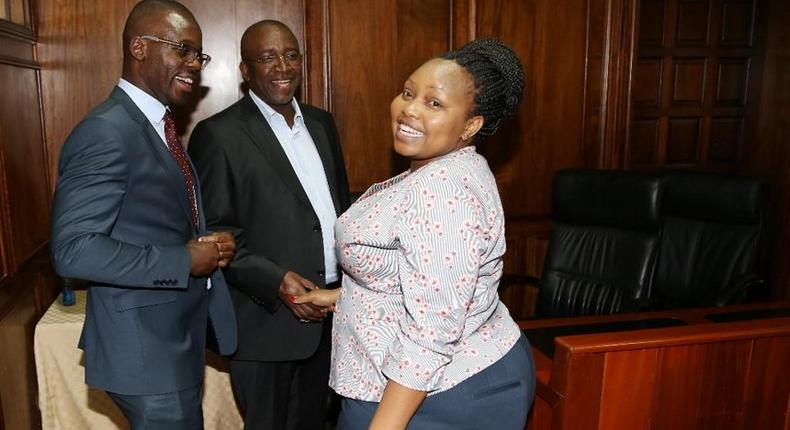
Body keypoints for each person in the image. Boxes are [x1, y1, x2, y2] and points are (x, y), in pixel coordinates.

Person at [295, 38, 536, 429]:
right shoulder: (440, 168)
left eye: (434, 103)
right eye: (408, 92)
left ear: (470, 125)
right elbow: (425, 277)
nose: (409, 108)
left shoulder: (442, 191)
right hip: (428, 380)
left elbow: (432, 330)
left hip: (440, 392)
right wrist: (345, 294)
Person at [49, 1, 237, 429]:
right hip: (143, 352)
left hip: (170, 341)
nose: (194, 65)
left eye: (198, 55)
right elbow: (73, 250)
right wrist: (184, 260)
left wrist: (203, 245)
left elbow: (155, 220)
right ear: (139, 48)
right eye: (183, 50)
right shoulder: (107, 131)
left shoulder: (157, 124)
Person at [188, 20, 351, 430]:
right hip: (266, 324)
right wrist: (277, 281)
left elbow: (339, 212)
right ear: (245, 71)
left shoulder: (321, 123)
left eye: (291, 55)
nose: (283, 67)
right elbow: (217, 237)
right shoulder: (218, 135)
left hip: (332, 314)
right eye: (267, 57)